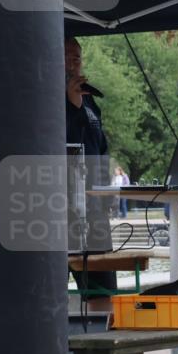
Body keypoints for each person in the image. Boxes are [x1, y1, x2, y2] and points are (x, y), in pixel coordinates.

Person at [65, 37, 115, 310]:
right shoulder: (41, 97)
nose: (74, 62)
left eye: (77, 57)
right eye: (67, 56)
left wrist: (106, 195)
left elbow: (100, 147)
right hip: (61, 209)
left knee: (102, 288)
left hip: (93, 207)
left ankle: (104, 346)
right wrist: (71, 107)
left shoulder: (90, 100)